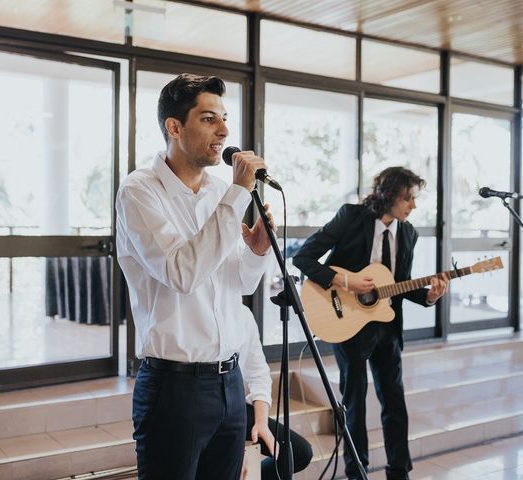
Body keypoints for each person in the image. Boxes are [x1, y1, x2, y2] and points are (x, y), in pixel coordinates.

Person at [116, 73, 276, 480]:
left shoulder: (219, 193)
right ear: (174, 126)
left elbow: (239, 284)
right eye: (209, 119)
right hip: (174, 387)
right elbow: (181, 272)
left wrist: (256, 253)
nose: (224, 130)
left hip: (228, 382)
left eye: (224, 118)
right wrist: (237, 194)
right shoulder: (139, 191)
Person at [292, 167, 449, 480]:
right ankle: (356, 472)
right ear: (388, 196)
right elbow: (303, 257)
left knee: (395, 401)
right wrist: (346, 281)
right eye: (408, 199)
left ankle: (398, 471)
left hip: (386, 326)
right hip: (345, 321)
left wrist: (430, 295)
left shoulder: (409, 233)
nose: (413, 206)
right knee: (355, 403)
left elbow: (400, 284)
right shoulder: (351, 217)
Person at [238, 305, 313, 480]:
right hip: (202, 407)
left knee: (297, 453)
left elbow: (259, 374)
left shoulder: (244, 315)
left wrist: (261, 421)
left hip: (236, 405)